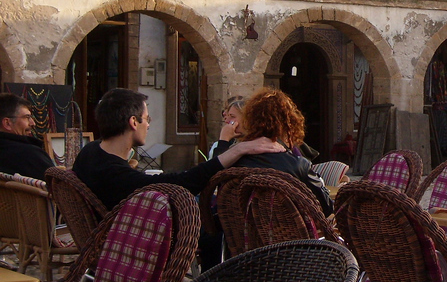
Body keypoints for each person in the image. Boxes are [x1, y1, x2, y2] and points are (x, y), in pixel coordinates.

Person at [73, 88, 282, 209]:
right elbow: (182, 183)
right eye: (147, 119)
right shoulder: (115, 175)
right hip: (129, 245)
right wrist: (236, 149)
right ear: (133, 122)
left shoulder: (89, 152)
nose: (149, 124)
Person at [234, 88, 333, 216]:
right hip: (294, 234)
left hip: (242, 233)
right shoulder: (298, 165)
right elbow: (326, 208)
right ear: (288, 123)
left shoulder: (234, 161)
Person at [0, 93, 54, 180]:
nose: (33, 123)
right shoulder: (30, 155)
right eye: (27, 117)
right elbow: (59, 187)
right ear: (7, 123)